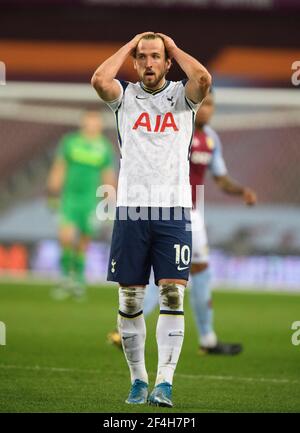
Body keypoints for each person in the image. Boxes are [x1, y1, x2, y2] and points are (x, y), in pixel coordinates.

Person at [91, 32, 211, 407]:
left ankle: (165, 383)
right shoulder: (124, 97)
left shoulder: (182, 97)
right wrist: (130, 44)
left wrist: (173, 47)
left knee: (173, 292)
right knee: (130, 300)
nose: (148, 63)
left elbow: (204, 78)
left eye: (155, 57)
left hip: (173, 209)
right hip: (131, 211)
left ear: (167, 62)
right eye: (142, 57)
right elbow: (98, 80)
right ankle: (138, 380)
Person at [107, 91, 257, 354]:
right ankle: (128, 331)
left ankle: (208, 339)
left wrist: (241, 190)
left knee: (198, 271)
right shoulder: (175, 125)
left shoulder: (211, 139)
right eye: (204, 104)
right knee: (160, 277)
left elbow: (220, 177)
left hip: (192, 214)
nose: (207, 110)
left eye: (212, 105)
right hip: (164, 210)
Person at [47, 111, 116, 300]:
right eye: (89, 121)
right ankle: (64, 278)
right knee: (66, 237)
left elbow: (108, 176)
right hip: (70, 198)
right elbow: (59, 167)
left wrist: (109, 202)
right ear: (84, 123)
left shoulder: (104, 147)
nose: (92, 125)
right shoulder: (70, 142)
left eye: (96, 122)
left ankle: (77, 280)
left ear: (100, 125)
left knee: (83, 242)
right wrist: (53, 191)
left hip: (90, 201)